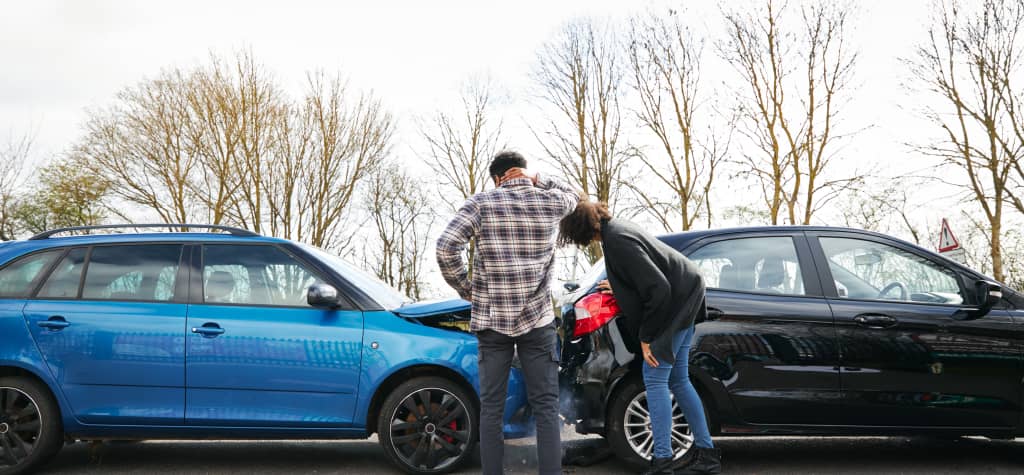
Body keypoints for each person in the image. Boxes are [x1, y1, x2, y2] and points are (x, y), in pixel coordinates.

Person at [436, 151, 579, 475]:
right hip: (538, 321)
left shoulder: (481, 204)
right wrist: (540, 180)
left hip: (492, 320)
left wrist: (468, 289)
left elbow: (446, 247)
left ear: (497, 178)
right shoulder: (550, 201)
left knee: (491, 408)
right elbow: (574, 194)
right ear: (523, 172)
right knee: (545, 405)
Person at [558, 200, 721, 475]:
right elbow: (645, 276)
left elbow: (658, 290)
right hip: (687, 295)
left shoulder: (618, 240)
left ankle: (662, 461)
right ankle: (708, 456)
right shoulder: (617, 229)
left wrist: (647, 338)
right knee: (678, 381)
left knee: (655, 378)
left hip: (676, 303)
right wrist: (619, 286)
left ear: (580, 230)